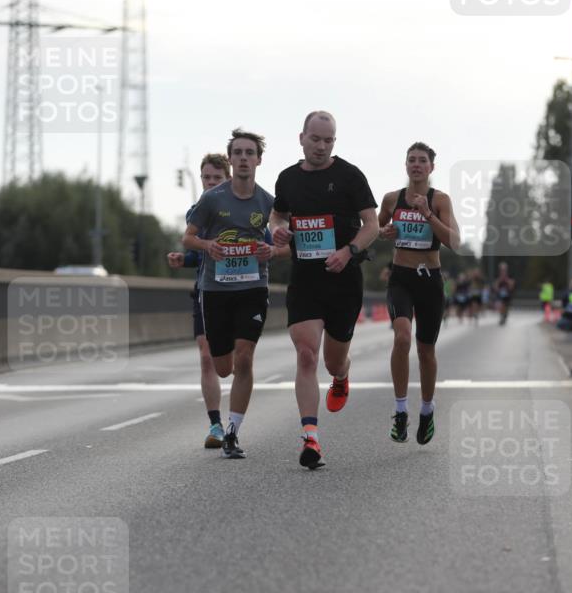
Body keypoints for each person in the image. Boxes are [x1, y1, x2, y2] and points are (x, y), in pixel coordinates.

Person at [270, 110, 379, 470]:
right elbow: (278, 216)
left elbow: (372, 224)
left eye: (328, 140)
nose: (321, 146)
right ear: (301, 138)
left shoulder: (350, 176)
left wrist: (349, 252)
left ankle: (342, 375)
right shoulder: (287, 179)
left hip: (344, 281)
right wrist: (279, 230)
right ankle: (311, 438)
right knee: (306, 355)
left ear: (334, 142)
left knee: (333, 361)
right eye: (315, 139)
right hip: (305, 280)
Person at [182, 129, 285, 459]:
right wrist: (207, 245)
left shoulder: (268, 202)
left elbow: (288, 244)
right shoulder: (213, 199)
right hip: (215, 290)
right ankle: (228, 425)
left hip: (253, 287)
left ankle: (232, 432)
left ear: (258, 160)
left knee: (245, 357)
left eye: (249, 153)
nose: (243, 158)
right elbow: (189, 238)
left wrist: (272, 251)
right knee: (223, 366)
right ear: (231, 159)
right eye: (238, 153)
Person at [378, 142, 460, 445]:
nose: (416, 165)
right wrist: (384, 232)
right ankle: (400, 410)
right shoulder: (391, 199)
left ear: (431, 168)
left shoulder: (439, 200)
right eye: (411, 160)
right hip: (401, 278)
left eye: (422, 161)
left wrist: (427, 214)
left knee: (426, 351)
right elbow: (376, 227)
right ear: (405, 165)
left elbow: (454, 241)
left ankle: (427, 410)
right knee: (401, 337)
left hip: (430, 280)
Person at [167, 153, 230, 449]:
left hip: (239, 294)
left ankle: (238, 415)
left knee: (232, 363)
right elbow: (198, 250)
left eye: (217, 178)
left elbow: (265, 242)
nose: (211, 183)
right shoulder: (197, 211)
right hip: (205, 292)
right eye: (207, 178)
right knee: (206, 358)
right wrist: (185, 259)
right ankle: (216, 424)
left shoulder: (244, 208)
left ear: (227, 179)